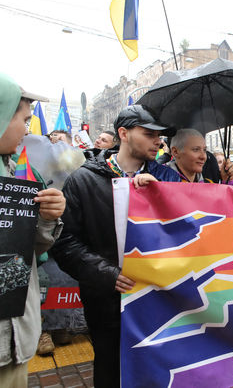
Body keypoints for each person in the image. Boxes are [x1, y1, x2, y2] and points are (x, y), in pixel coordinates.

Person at [52, 105, 181, 388]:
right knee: (111, 370)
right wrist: (107, 274)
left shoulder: (168, 179)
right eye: (148, 134)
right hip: (107, 305)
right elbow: (64, 243)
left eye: (159, 136)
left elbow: (192, 229)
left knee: (158, 371)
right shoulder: (82, 180)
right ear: (123, 133)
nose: (158, 141)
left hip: (161, 302)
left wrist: (160, 195)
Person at [0, 73, 65, 386]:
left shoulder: (19, 172)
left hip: (13, 339)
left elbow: (29, 250)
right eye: (24, 120)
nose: (27, 131)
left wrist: (47, 217)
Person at [168, 129, 233, 183]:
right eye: (196, 149)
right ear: (176, 152)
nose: (203, 157)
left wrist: (227, 180)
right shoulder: (161, 183)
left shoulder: (208, 185)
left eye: (204, 150)